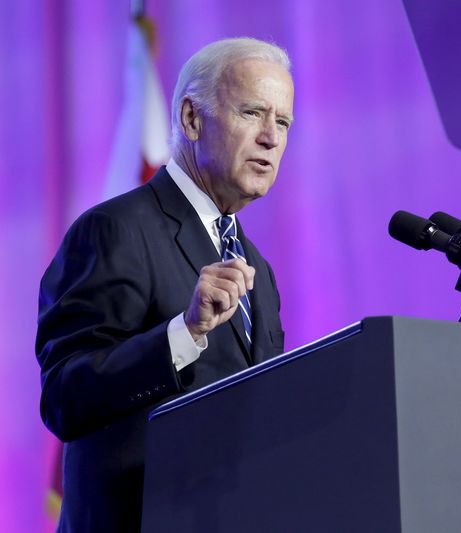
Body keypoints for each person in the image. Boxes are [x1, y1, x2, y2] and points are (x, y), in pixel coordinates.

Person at [35, 37, 294, 532]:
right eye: (253, 114)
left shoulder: (255, 266)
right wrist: (184, 333)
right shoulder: (116, 229)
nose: (271, 137)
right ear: (192, 119)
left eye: (282, 122)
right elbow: (65, 396)